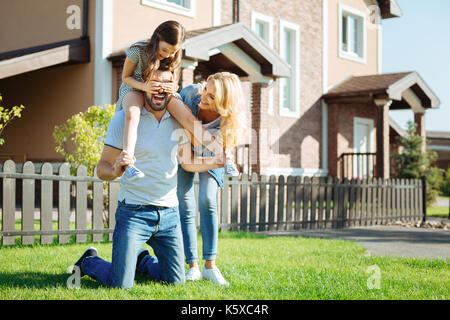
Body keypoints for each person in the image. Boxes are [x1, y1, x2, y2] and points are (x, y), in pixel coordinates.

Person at [71, 66, 225, 289]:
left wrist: (214, 162)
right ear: (144, 85)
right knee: (120, 284)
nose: (160, 89)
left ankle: (142, 261)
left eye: (166, 85)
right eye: (155, 83)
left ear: (173, 89)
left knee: (175, 281)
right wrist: (115, 170)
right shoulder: (122, 121)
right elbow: (101, 168)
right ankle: (88, 261)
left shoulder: (177, 122)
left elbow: (187, 163)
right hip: (134, 213)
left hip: (169, 217)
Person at [146, 72, 245, 286]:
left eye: (211, 97)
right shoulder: (191, 95)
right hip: (184, 144)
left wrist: (223, 155)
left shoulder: (229, 120)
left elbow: (223, 148)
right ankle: (193, 265)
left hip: (212, 151)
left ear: (224, 104)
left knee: (208, 200)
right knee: (184, 200)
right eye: (206, 90)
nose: (204, 97)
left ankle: (210, 265)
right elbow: (182, 128)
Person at [117, 20, 239, 181]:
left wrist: (171, 88)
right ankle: (129, 162)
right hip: (136, 86)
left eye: (172, 51)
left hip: (160, 89)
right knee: (132, 114)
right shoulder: (137, 50)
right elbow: (125, 77)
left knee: (188, 117)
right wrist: (145, 87)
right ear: (156, 39)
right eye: (164, 50)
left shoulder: (174, 56)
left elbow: (174, 83)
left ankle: (223, 156)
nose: (167, 55)